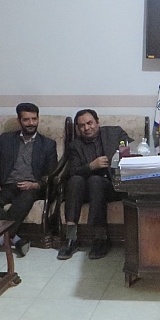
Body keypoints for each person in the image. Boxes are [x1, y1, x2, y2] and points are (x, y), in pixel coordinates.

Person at [0, 102, 58, 260]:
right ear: (19, 121)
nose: (31, 123)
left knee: (26, 197)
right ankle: (15, 238)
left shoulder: (48, 144)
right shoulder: (6, 140)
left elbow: (51, 173)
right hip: (7, 186)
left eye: (34, 119)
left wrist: (35, 184)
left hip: (31, 188)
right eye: (26, 119)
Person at [57, 109, 130, 260]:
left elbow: (130, 150)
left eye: (89, 123)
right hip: (85, 190)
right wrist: (91, 166)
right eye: (82, 125)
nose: (86, 128)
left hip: (112, 186)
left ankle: (100, 238)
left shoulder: (114, 133)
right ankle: (71, 238)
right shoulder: (75, 145)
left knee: (95, 181)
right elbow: (73, 171)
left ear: (97, 122)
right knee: (75, 180)